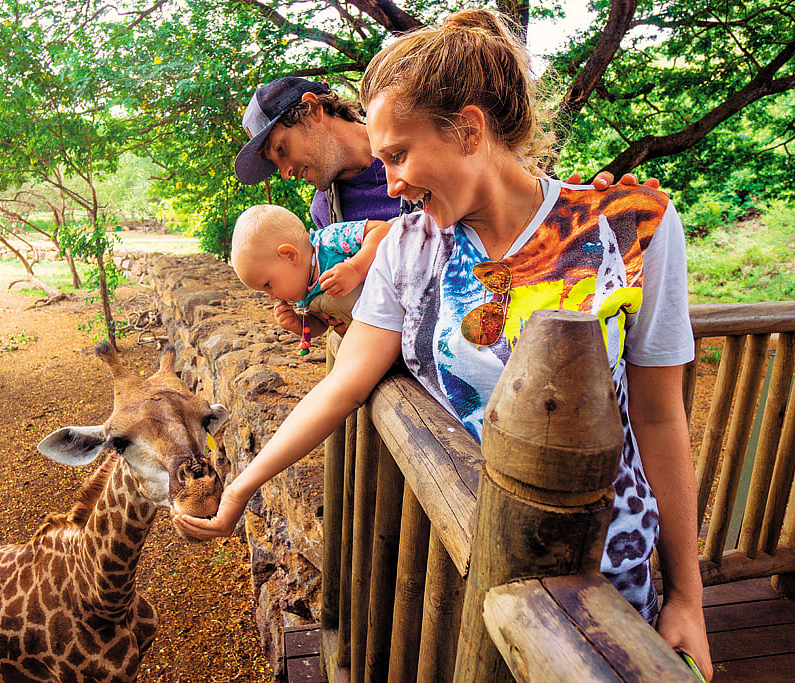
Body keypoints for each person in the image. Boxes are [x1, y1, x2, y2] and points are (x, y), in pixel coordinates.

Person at [185, 9, 712, 679]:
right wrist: (243, 487)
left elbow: (662, 418)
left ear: (468, 129)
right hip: (466, 561)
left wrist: (688, 596)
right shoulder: (409, 249)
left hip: (607, 574)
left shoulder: (634, 228)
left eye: (399, 155)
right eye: (382, 161)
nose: (394, 182)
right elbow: (343, 384)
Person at [232, 77, 658, 228]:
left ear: (311, 109)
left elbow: (520, 208)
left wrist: (586, 213)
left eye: (281, 150)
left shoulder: (435, 144)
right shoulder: (328, 215)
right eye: (275, 165)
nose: (285, 171)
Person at [231, 204, 391, 339]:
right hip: (379, 331)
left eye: (268, 285)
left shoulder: (330, 240)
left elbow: (383, 230)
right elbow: (321, 324)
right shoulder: (305, 293)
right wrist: (299, 323)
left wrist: (355, 268)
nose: (272, 297)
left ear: (290, 256)